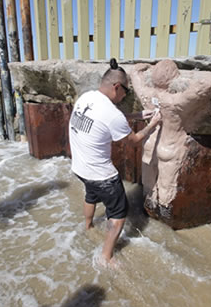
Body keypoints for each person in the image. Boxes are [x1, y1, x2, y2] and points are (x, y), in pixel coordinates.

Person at [68, 58, 161, 266]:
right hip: (102, 176)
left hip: (80, 168)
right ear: (117, 87)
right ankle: (106, 257)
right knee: (119, 215)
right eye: (125, 92)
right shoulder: (111, 112)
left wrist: (137, 115)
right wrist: (152, 124)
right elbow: (134, 141)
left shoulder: (86, 98)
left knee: (90, 195)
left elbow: (105, 120)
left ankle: (88, 227)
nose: (124, 97)